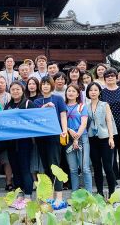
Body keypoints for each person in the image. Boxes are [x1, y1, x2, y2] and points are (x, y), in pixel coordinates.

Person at [33, 76, 68, 210]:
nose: (46, 86)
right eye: (43, 84)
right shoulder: (37, 101)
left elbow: (63, 115)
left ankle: (59, 197)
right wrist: (45, 106)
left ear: (52, 86)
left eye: (48, 84)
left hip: (55, 135)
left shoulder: (58, 99)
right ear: (40, 86)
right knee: (46, 167)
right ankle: (49, 197)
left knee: (55, 167)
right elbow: (36, 117)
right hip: (41, 137)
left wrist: (64, 130)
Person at [5, 81, 36, 210]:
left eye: (18, 89)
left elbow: (35, 121)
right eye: (13, 90)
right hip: (11, 142)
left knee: (24, 169)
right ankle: (19, 195)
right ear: (10, 92)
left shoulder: (29, 104)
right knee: (15, 169)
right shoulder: (8, 106)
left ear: (22, 90)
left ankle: (28, 196)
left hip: (25, 142)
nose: (15, 91)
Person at [86, 82, 117, 197]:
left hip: (104, 138)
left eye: (95, 90)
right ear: (88, 92)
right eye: (91, 90)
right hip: (92, 139)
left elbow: (109, 121)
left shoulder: (105, 105)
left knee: (108, 167)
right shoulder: (85, 106)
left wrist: (111, 137)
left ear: (99, 92)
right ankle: (99, 194)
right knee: (97, 167)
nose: (93, 92)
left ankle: (112, 194)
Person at [64, 84, 92, 193]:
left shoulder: (82, 106)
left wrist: (76, 138)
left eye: (73, 91)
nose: (70, 93)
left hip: (82, 137)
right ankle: (75, 194)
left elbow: (84, 123)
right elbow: (61, 123)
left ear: (77, 94)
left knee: (85, 168)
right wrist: (69, 130)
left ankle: (89, 194)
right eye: (69, 91)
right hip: (68, 138)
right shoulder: (63, 106)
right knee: (73, 169)